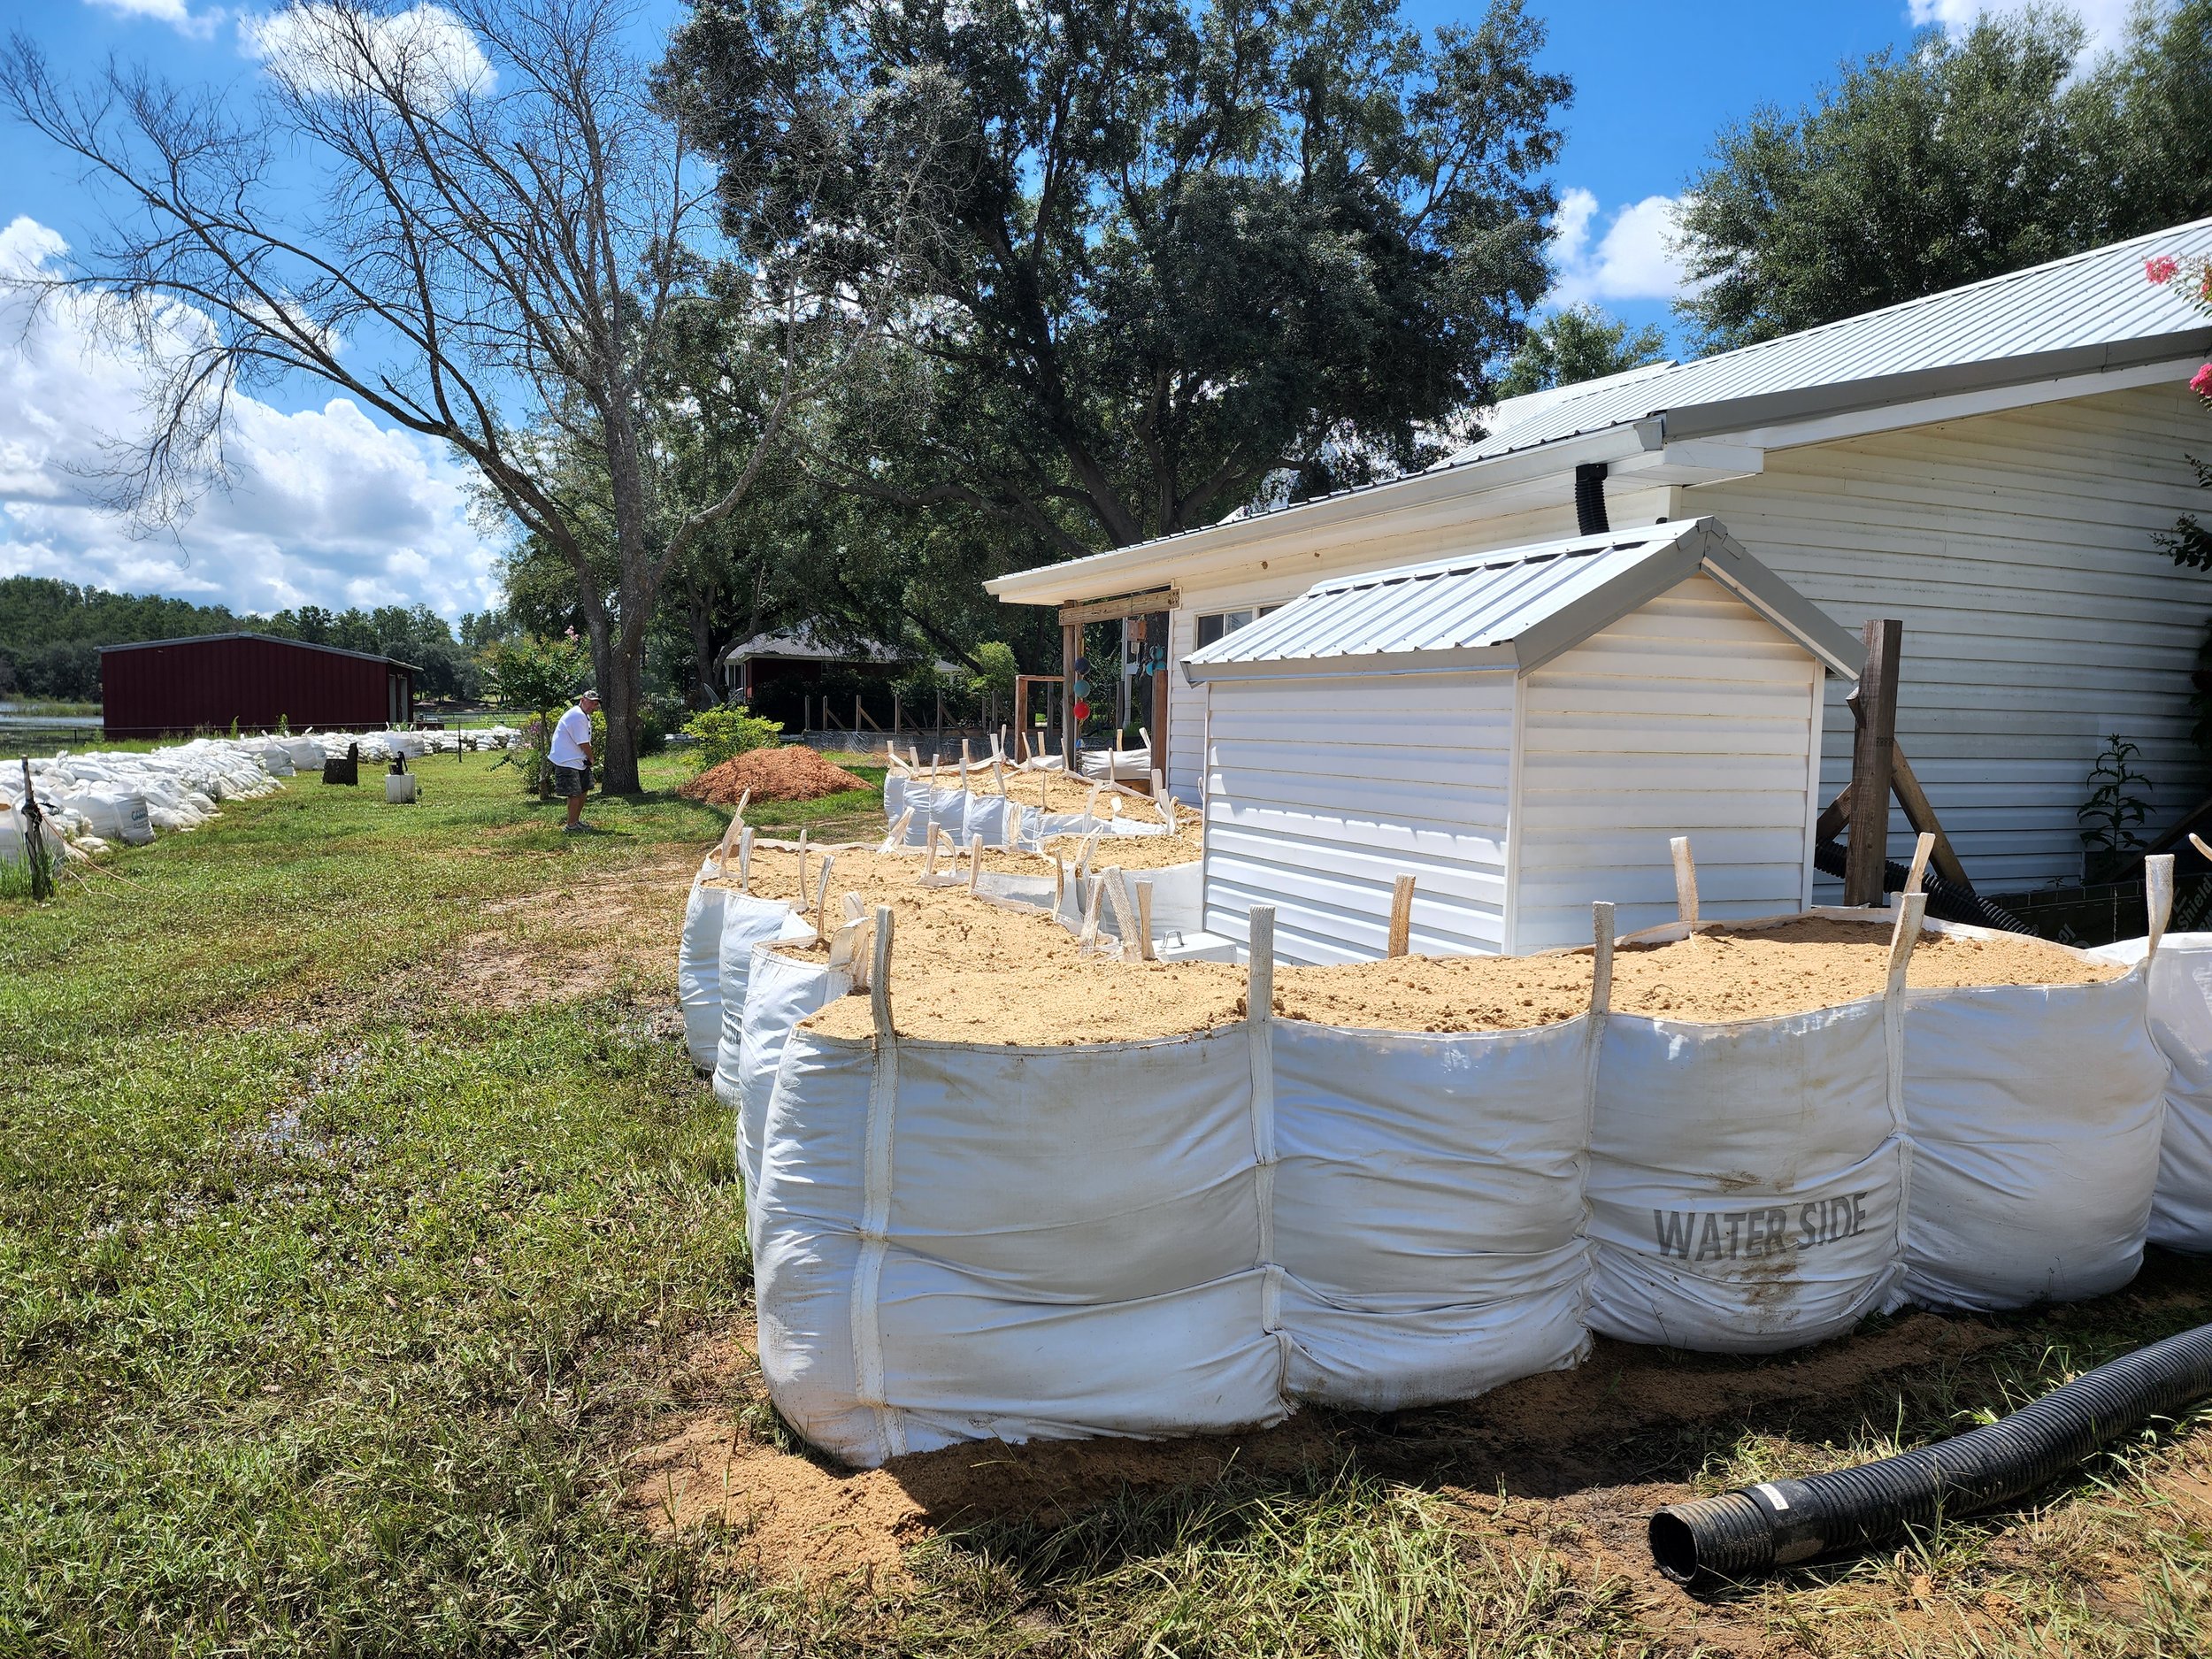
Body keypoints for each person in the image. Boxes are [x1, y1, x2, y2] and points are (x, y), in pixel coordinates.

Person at [549, 689, 599, 833]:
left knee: (583, 790)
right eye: (590, 703)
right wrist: (591, 757)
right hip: (567, 760)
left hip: (578, 760)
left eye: (595, 704)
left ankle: (576, 822)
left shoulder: (584, 715)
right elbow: (582, 742)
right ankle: (571, 826)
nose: (592, 707)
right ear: (582, 700)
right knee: (574, 793)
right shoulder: (577, 715)